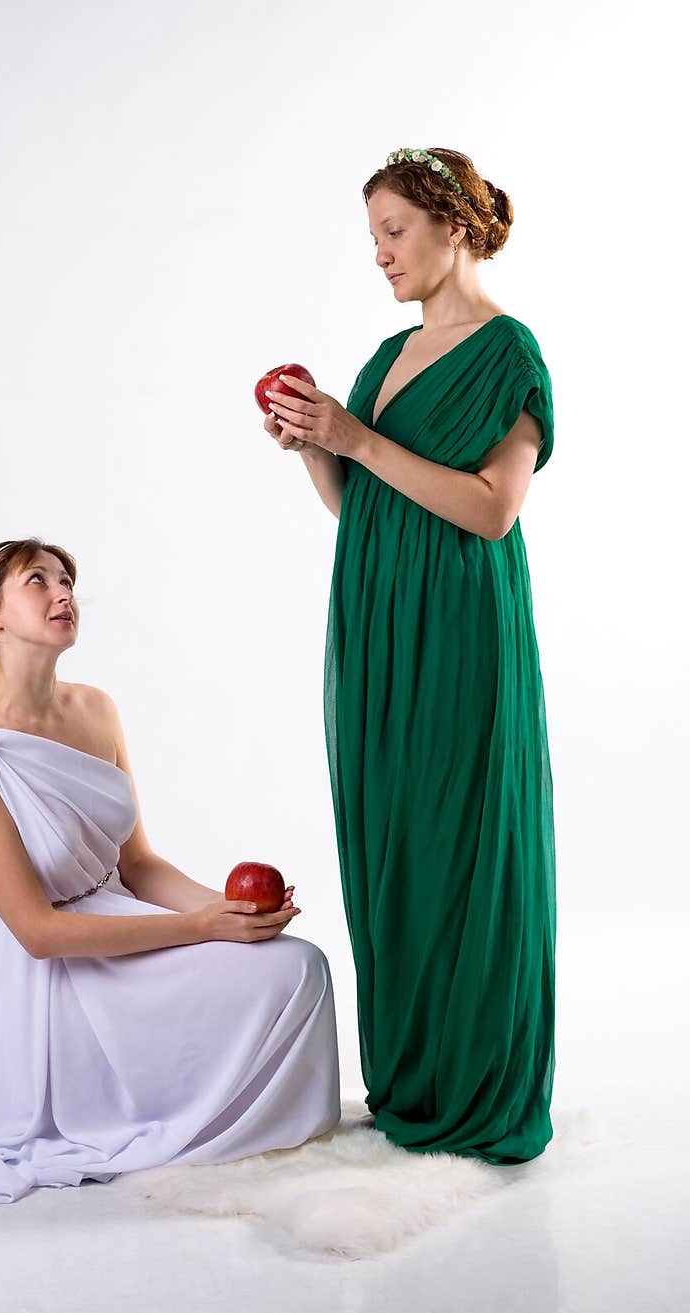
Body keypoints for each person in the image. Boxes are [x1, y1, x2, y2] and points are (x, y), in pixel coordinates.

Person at [0, 539, 340, 1213]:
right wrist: (197, 928)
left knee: (298, 965)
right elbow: (38, 932)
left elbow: (140, 865)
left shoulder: (96, 709)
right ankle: (153, 1110)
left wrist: (230, 912)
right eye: (37, 582)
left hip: (121, 917)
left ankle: (249, 1121)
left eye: (66, 580)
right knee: (277, 969)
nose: (63, 592)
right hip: (49, 972)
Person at [263, 147, 556, 1164]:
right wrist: (313, 441)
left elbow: (489, 508)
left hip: (462, 631)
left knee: (462, 836)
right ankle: (414, 1075)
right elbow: (361, 508)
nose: (381, 254)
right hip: (375, 624)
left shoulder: (509, 352)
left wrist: (358, 438)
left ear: (456, 229)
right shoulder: (384, 359)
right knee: (390, 841)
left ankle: (479, 1083)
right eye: (374, 236)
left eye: (395, 231)